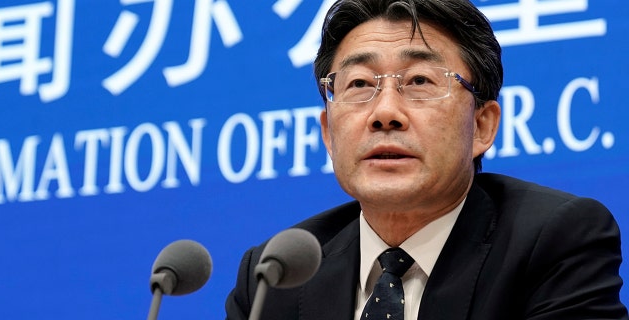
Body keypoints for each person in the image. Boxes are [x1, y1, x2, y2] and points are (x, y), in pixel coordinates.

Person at [225, 0, 628, 319]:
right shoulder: (275, 276)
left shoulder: (553, 242)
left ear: (483, 126)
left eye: (419, 81)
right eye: (360, 84)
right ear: (329, 133)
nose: (385, 112)